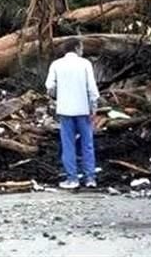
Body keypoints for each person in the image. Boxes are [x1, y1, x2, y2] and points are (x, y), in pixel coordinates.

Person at [45, 38, 100, 190]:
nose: (82, 51)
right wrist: (93, 107)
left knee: (68, 145)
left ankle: (72, 178)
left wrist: (58, 95)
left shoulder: (56, 64)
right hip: (83, 110)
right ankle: (90, 178)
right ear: (76, 48)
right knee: (87, 144)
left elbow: (49, 87)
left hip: (65, 110)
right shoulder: (85, 64)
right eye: (81, 48)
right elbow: (92, 89)